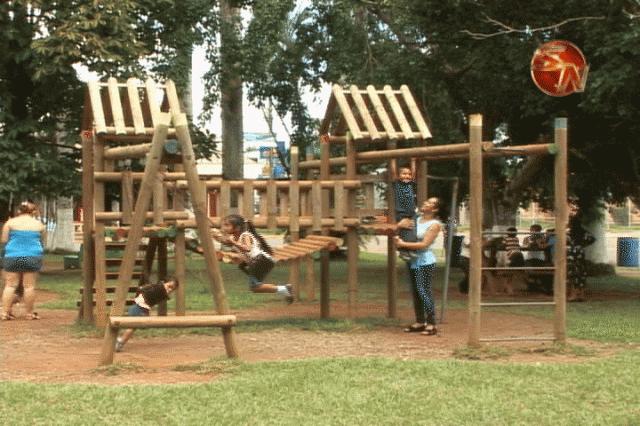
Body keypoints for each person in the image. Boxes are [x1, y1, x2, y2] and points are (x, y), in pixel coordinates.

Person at [212, 214, 294, 304]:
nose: (224, 228)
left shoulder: (245, 235)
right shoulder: (234, 237)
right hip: (256, 262)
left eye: (227, 225)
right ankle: (284, 289)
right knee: (255, 287)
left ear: (237, 227)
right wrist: (217, 238)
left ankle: (284, 289)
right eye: (224, 225)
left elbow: (247, 248)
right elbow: (227, 242)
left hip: (262, 261)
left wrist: (233, 243)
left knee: (255, 286)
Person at [395, 197, 443, 336]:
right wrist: (399, 226)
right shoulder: (416, 219)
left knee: (424, 291)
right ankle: (420, 322)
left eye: (430, 202)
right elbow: (403, 229)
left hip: (425, 262)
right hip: (412, 261)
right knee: (415, 292)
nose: (425, 202)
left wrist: (403, 245)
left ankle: (432, 323)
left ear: (435, 209)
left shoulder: (435, 224)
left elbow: (424, 244)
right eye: (427, 201)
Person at [1, 201, 46, 321]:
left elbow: (4, 240)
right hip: (32, 256)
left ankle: (5, 313)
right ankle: (30, 313)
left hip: (12, 256)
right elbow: (43, 242)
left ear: (18, 211)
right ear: (33, 212)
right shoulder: (39, 225)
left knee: (10, 285)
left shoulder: (10, 223)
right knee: (29, 286)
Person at [115, 276, 179, 352]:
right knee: (133, 327)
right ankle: (119, 342)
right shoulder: (160, 288)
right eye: (169, 286)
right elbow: (155, 290)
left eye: (172, 289)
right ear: (165, 282)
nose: (170, 289)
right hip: (139, 307)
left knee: (133, 327)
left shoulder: (161, 290)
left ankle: (119, 341)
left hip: (141, 307)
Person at [391, 165, 418, 262]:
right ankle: (403, 251)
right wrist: (393, 159)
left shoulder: (411, 184)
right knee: (404, 231)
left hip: (411, 212)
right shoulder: (397, 184)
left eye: (409, 174)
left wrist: (413, 160)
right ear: (398, 175)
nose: (407, 176)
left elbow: (414, 173)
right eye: (404, 173)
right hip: (401, 212)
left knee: (412, 232)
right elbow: (393, 173)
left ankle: (410, 250)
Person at [567, 215, 595, 302]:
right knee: (581, 274)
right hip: (580, 254)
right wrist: (583, 245)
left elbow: (565, 242)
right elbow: (592, 239)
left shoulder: (569, 232)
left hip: (572, 255)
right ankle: (581, 295)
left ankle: (573, 295)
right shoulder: (583, 231)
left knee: (573, 275)